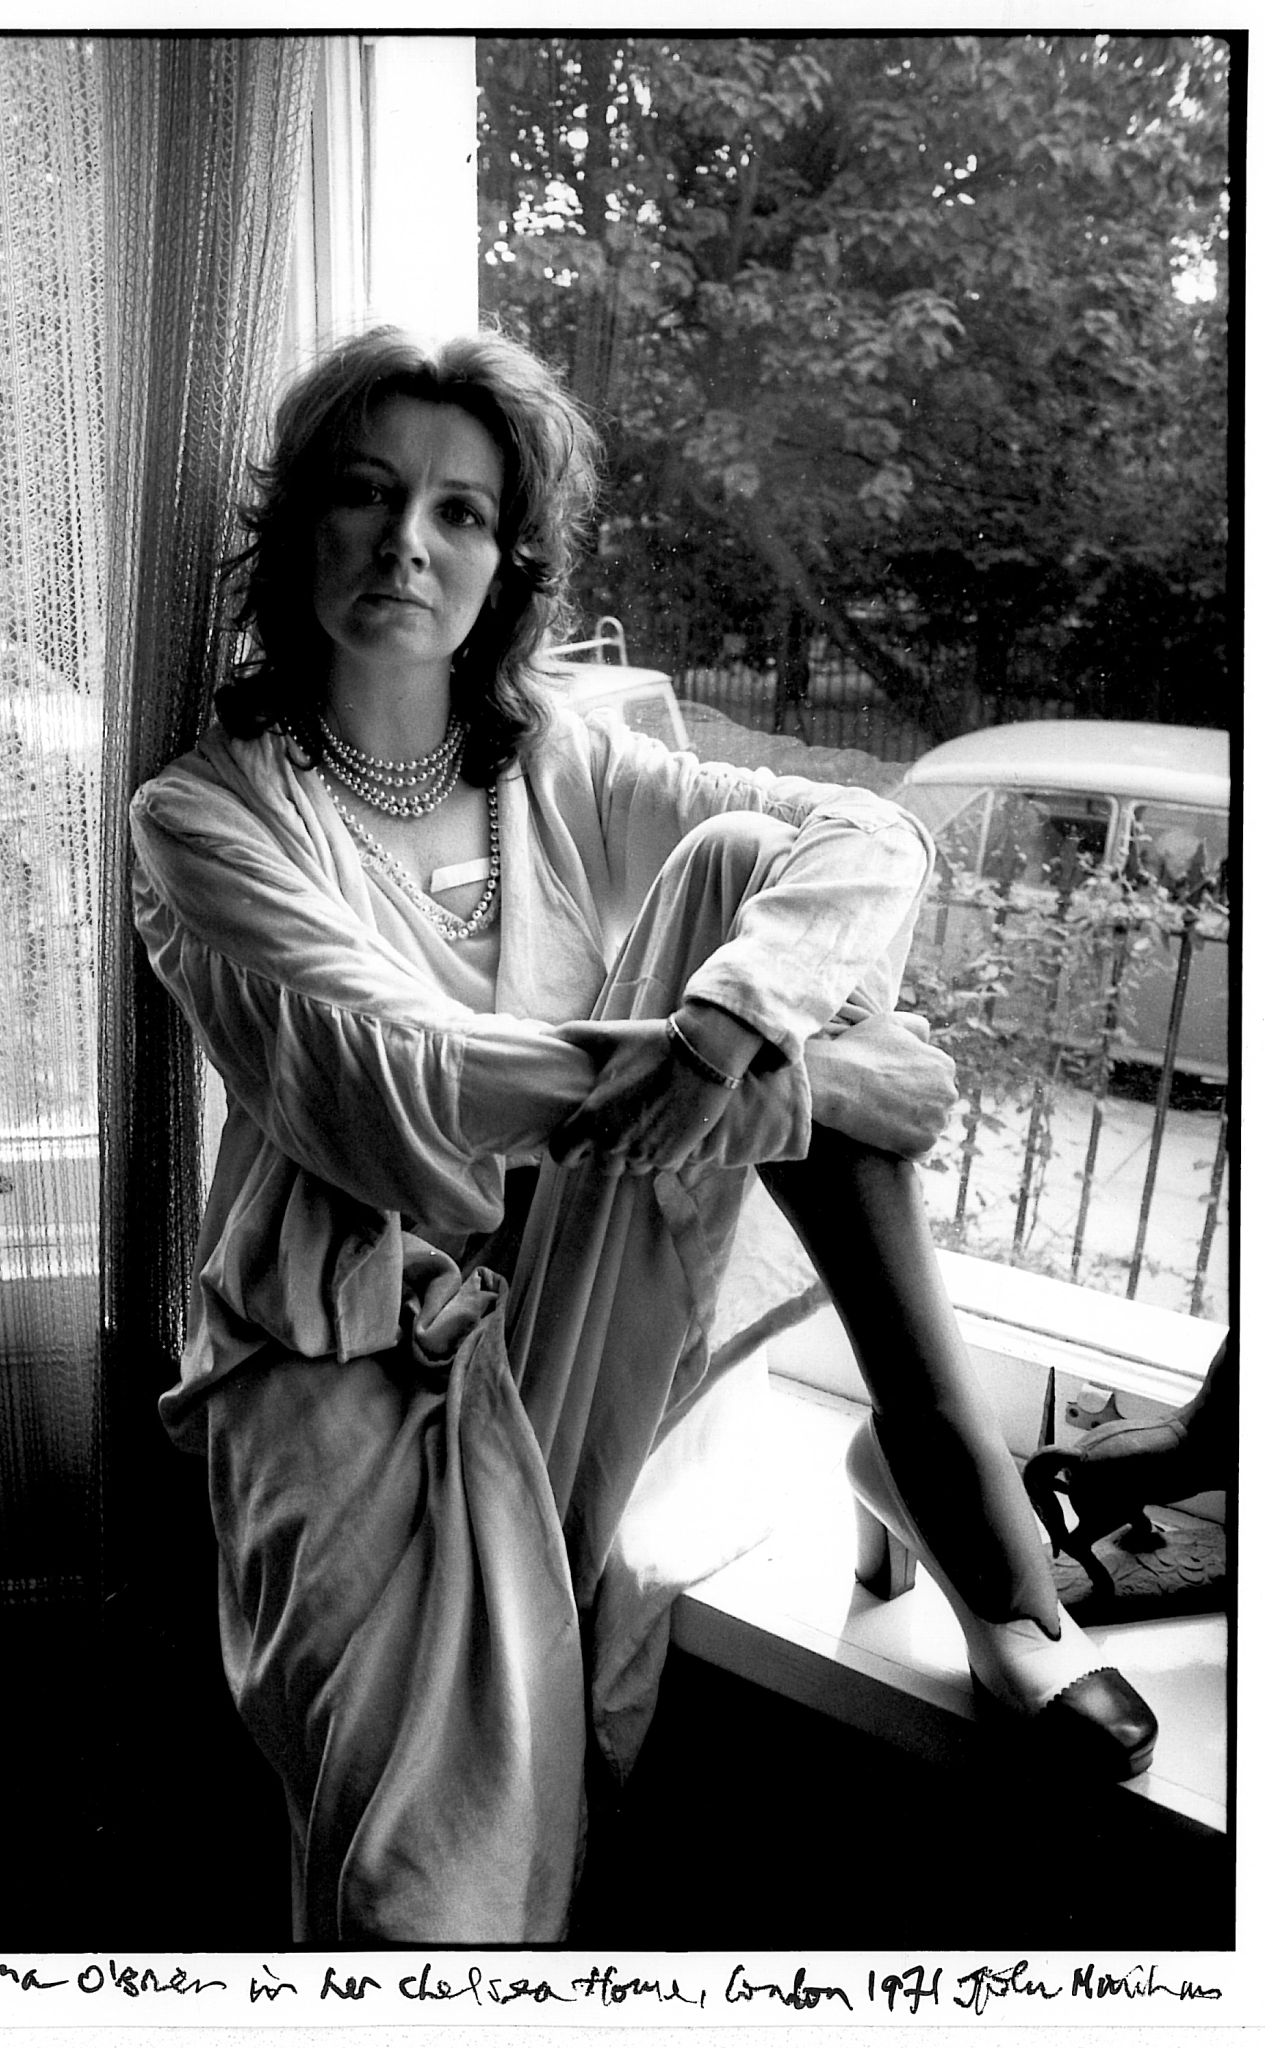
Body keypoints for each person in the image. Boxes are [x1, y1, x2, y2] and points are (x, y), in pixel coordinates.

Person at [130, 326, 1158, 1946]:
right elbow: (408, 1084)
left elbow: (867, 835)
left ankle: (948, 1476)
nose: (407, 542)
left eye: (461, 513)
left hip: (570, 1296)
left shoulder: (557, 766)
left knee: (747, 862)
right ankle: (959, 1507)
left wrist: (744, 1028)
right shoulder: (206, 817)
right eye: (364, 494)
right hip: (350, 1351)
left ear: (506, 565)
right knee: (419, 1885)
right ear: (297, 528)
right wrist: (820, 1088)